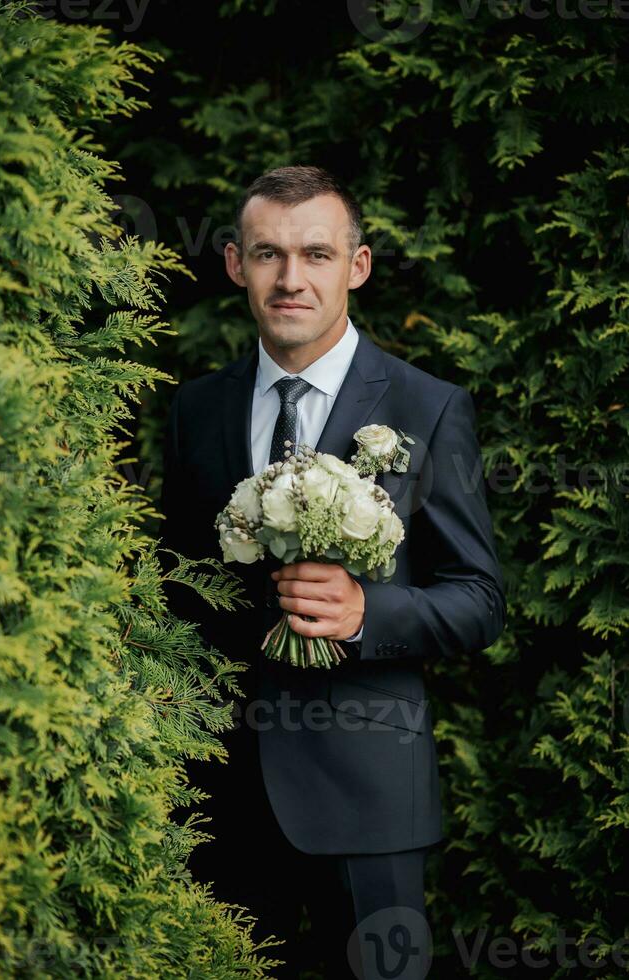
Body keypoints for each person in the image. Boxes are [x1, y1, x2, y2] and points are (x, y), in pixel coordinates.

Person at [159, 165, 506, 979]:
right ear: (236, 266)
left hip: (370, 803)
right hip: (220, 798)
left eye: (316, 254)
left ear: (357, 266)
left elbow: (480, 600)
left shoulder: (429, 408)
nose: (291, 279)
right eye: (269, 254)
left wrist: (363, 616)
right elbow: (178, 587)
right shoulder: (196, 409)